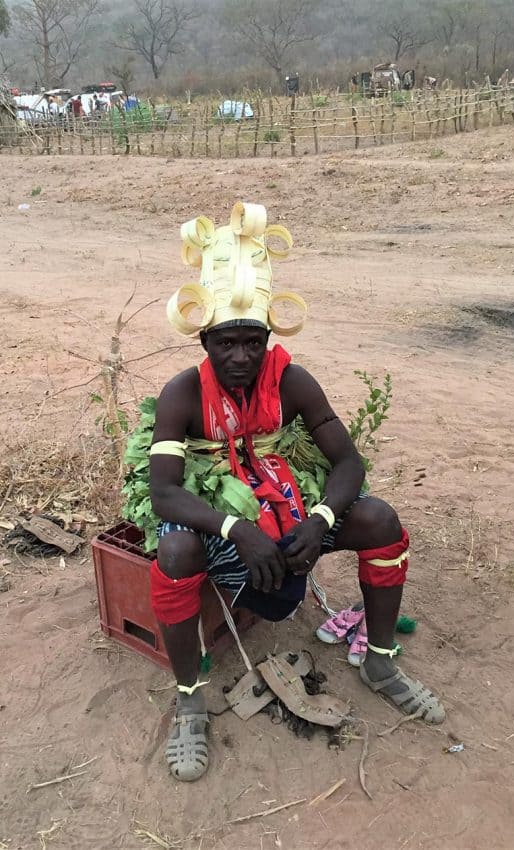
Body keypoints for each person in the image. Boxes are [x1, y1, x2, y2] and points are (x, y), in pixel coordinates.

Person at [149, 202, 445, 782]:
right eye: (225, 343)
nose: (241, 358)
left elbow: (347, 461)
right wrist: (237, 530)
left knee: (381, 521)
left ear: (267, 336)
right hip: (222, 517)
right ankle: (189, 698)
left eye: (252, 342)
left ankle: (381, 665)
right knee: (176, 551)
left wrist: (319, 518)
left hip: (284, 501)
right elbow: (163, 492)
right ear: (203, 339)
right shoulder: (182, 395)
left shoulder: (292, 381)